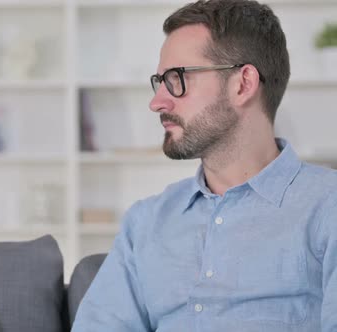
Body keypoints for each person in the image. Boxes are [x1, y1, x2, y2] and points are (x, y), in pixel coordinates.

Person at [72, 0, 337, 331]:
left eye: (178, 78)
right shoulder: (145, 223)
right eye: (160, 82)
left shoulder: (328, 209)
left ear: (242, 84)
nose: (157, 102)